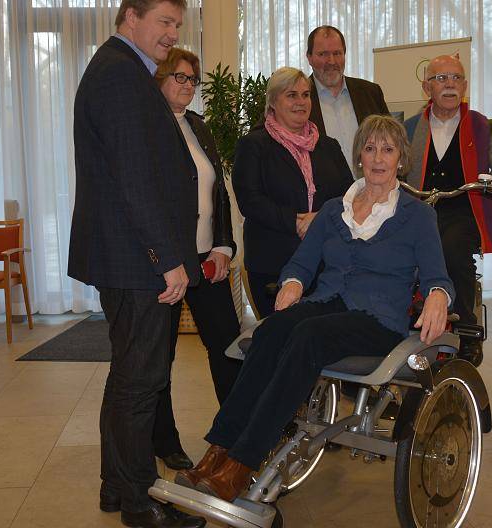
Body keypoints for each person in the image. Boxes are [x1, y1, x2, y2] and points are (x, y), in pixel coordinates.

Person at [174, 115, 455, 502]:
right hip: (327, 303)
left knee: (307, 336)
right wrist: (292, 283)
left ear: (400, 160)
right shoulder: (334, 209)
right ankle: (216, 451)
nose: (378, 158)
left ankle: (242, 462)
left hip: (379, 319)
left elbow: (438, 275)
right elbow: (302, 263)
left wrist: (439, 294)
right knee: (270, 330)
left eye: (387, 150)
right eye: (370, 148)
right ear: (359, 157)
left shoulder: (417, 215)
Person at [68, 1, 205, 526]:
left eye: (177, 25)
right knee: (141, 381)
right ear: (131, 17)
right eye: (165, 23)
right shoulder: (122, 75)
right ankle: (138, 500)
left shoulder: (122, 69)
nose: (172, 35)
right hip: (135, 259)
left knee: (129, 376)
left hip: (127, 255)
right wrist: (166, 259)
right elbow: (134, 179)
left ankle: (115, 486)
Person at [151, 47, 242, 472]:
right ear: (158, 77)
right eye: (178, 77)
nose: (186, 85)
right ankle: (164, 440)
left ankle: (238, 432)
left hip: (209, 260)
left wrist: (224, 246)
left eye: (192, 79)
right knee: (161, 355)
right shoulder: (148, 127)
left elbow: (218, 194)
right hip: (167, 263)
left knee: (227, 345)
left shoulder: (198, 126)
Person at [403, 54, 492, 367]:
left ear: (465, 85)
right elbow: (394, 165)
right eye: (441, 78)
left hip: (463, 208)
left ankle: (468, 329)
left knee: (453, 250)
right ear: (426, 86)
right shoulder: (410, 127)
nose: (450, 84)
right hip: (419, 209)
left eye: (456, 78)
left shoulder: (484, 126)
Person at [232, 66, 353, 318]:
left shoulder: (328, 146)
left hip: (326, 262)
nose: (301, 102)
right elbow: (250, 200)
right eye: (291, 95)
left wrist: (319, 218)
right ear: (273, 101)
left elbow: (349, 196)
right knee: (280, 341)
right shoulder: (253, 145)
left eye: (305, 95)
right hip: (273, 262)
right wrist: (295, 221)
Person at [306, 25, 390, 167]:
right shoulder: (298, 99)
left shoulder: (370, 92)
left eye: (337, 53)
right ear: (309, 58)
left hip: (371, 186)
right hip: (322, 188)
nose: (331, 61)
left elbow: (392, 142)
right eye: (323, 54)